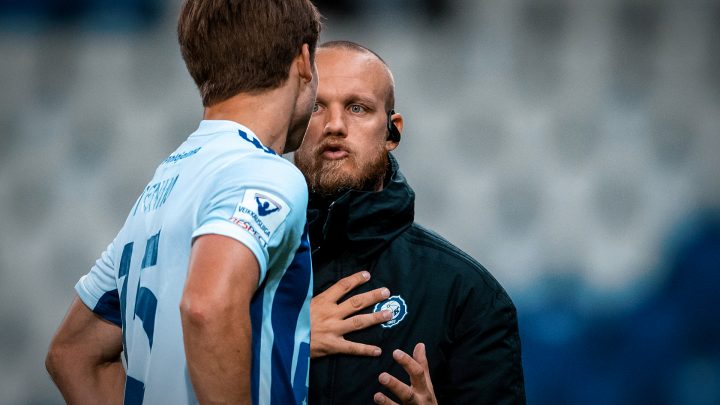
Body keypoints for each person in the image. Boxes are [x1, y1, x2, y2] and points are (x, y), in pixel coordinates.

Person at [44, 1, 321, 403]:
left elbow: (72, 353)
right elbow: (207, 307)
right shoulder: (266, 173)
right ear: (304, 60)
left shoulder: (163, 185)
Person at [294, 41, 526, 404]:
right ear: (292, 123)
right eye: (316, 107)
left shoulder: (468, 293)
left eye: (358, 108)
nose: (335, 125)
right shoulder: (243, 263)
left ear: (392, 132)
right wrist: (289, 336)